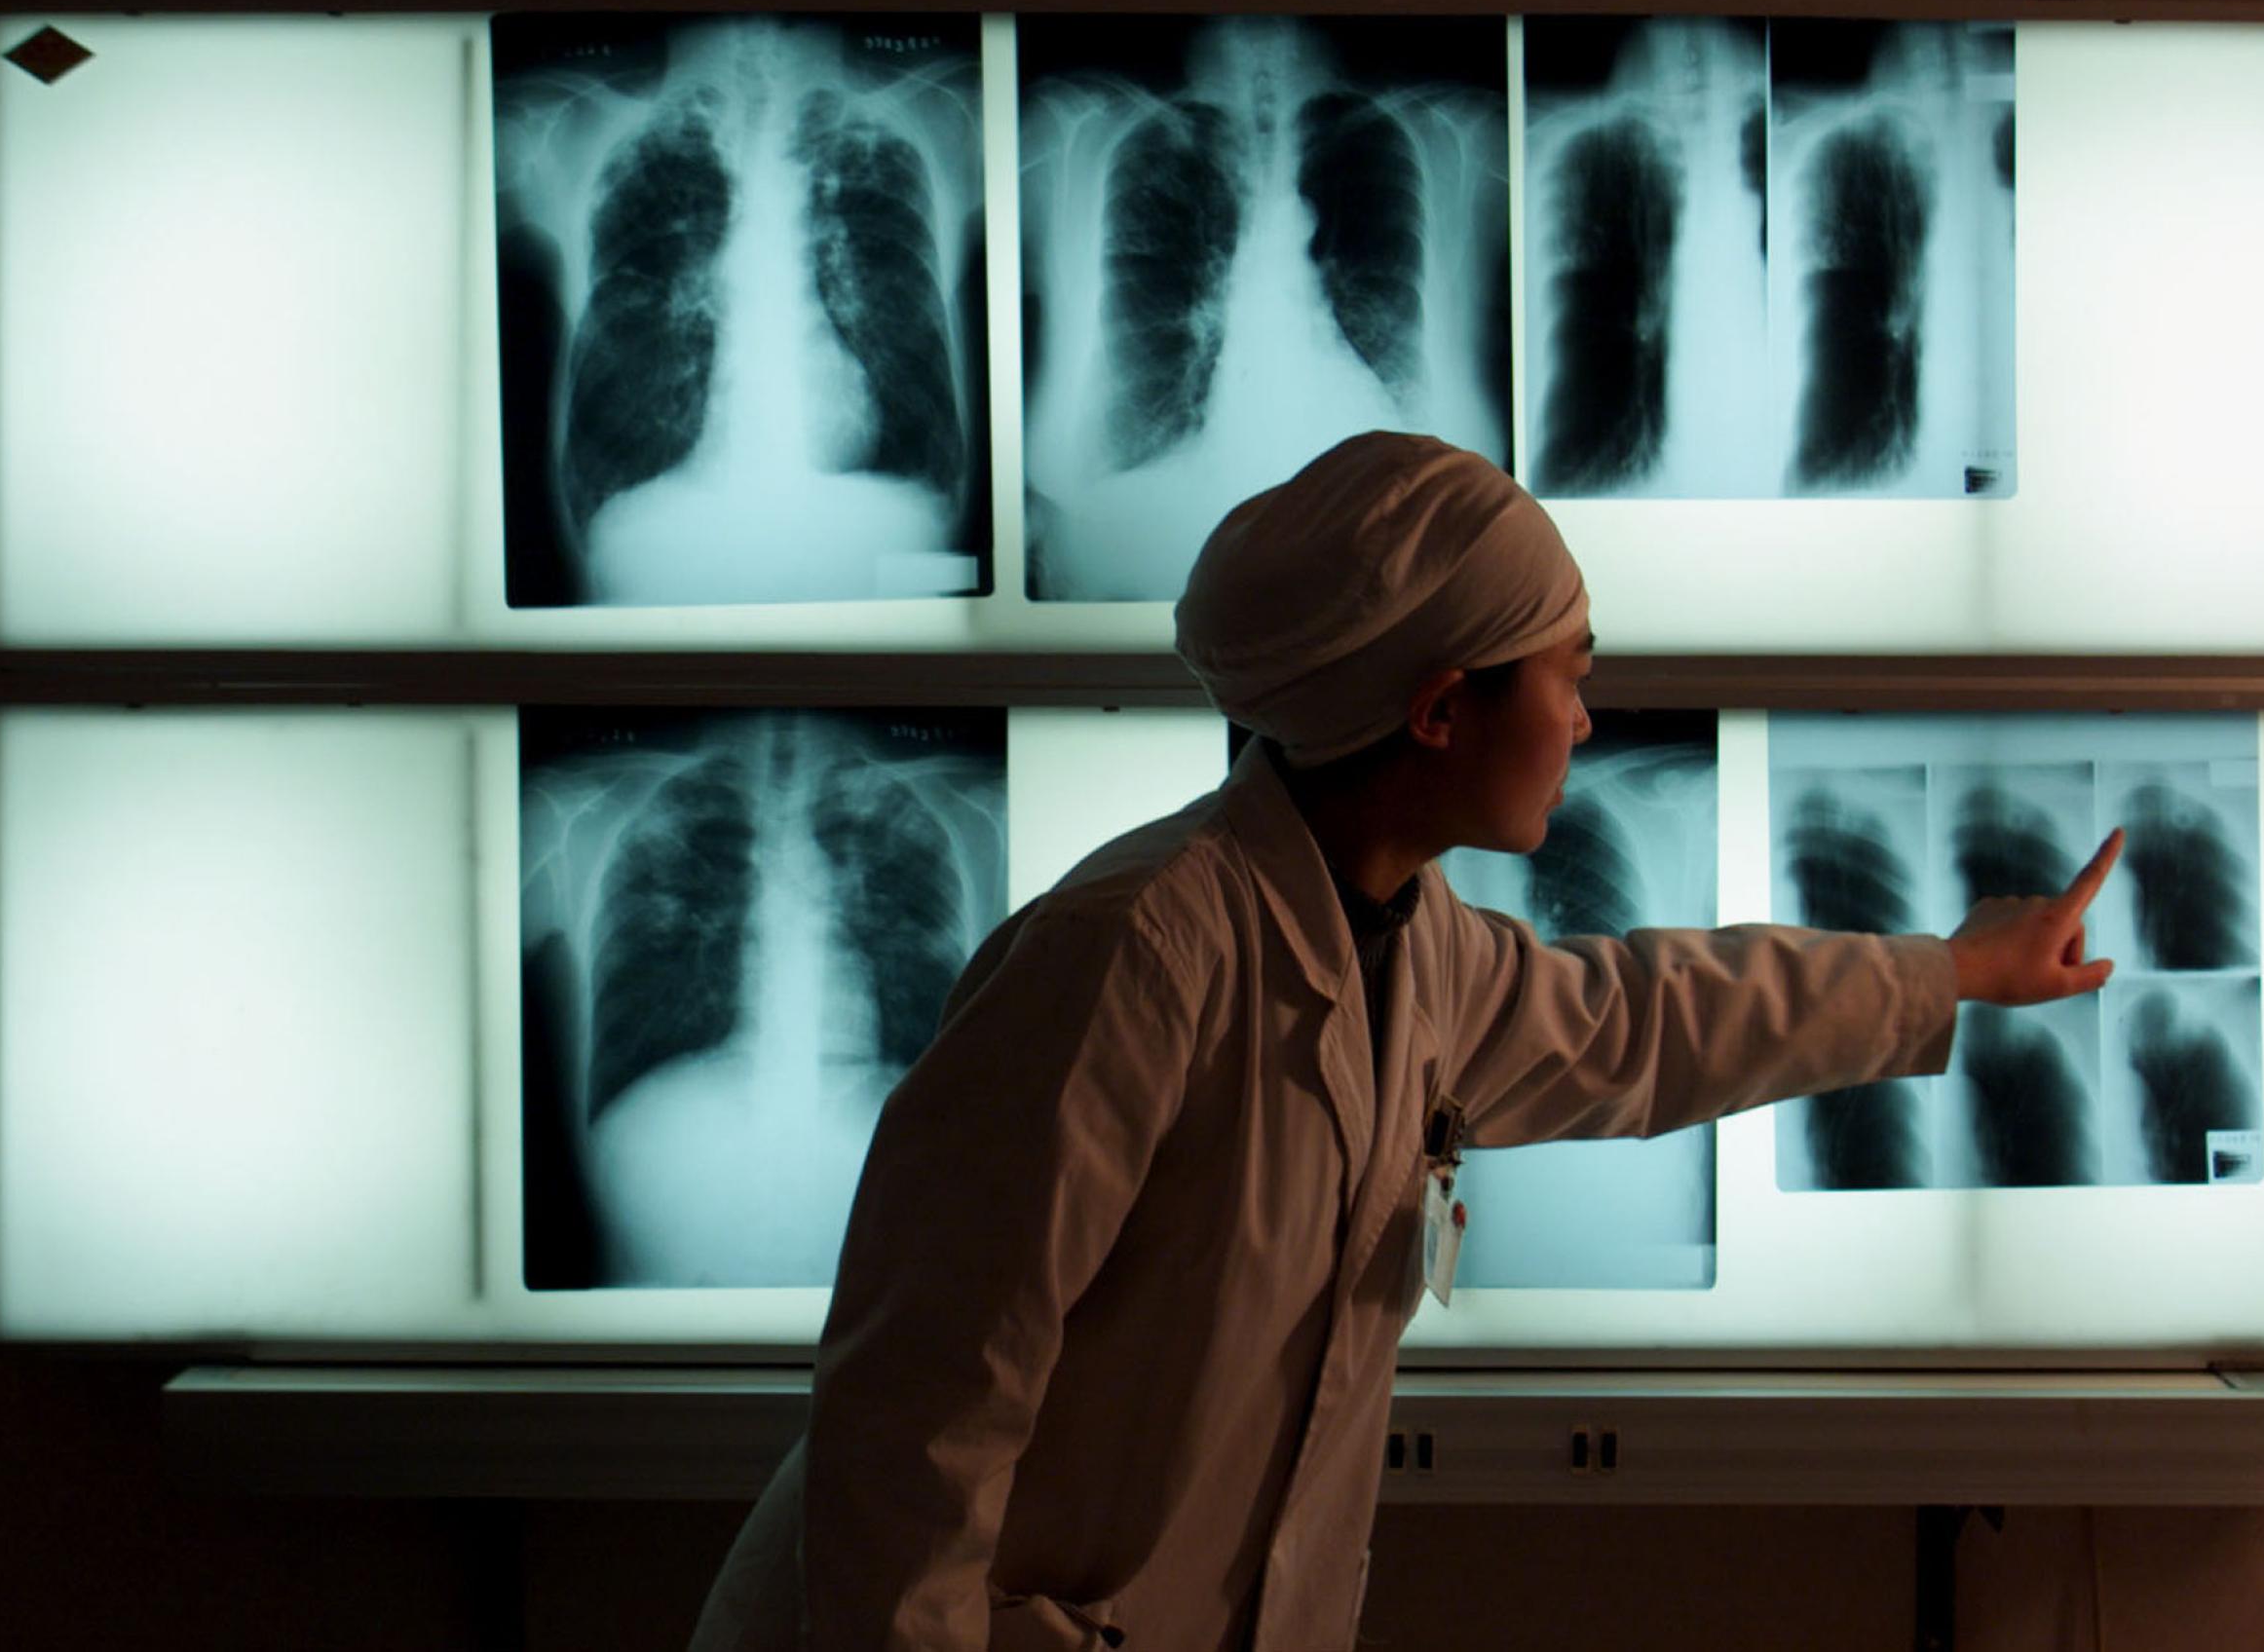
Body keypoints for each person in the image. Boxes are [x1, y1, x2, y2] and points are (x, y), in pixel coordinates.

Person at [690, 432, 2119, 1652]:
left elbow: (1647, 1020)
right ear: (1440, 710)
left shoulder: (1410, 943)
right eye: (1567, 674)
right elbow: (919, 1411)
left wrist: (1954, 972)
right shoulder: (1131, 952)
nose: (1584, 716)